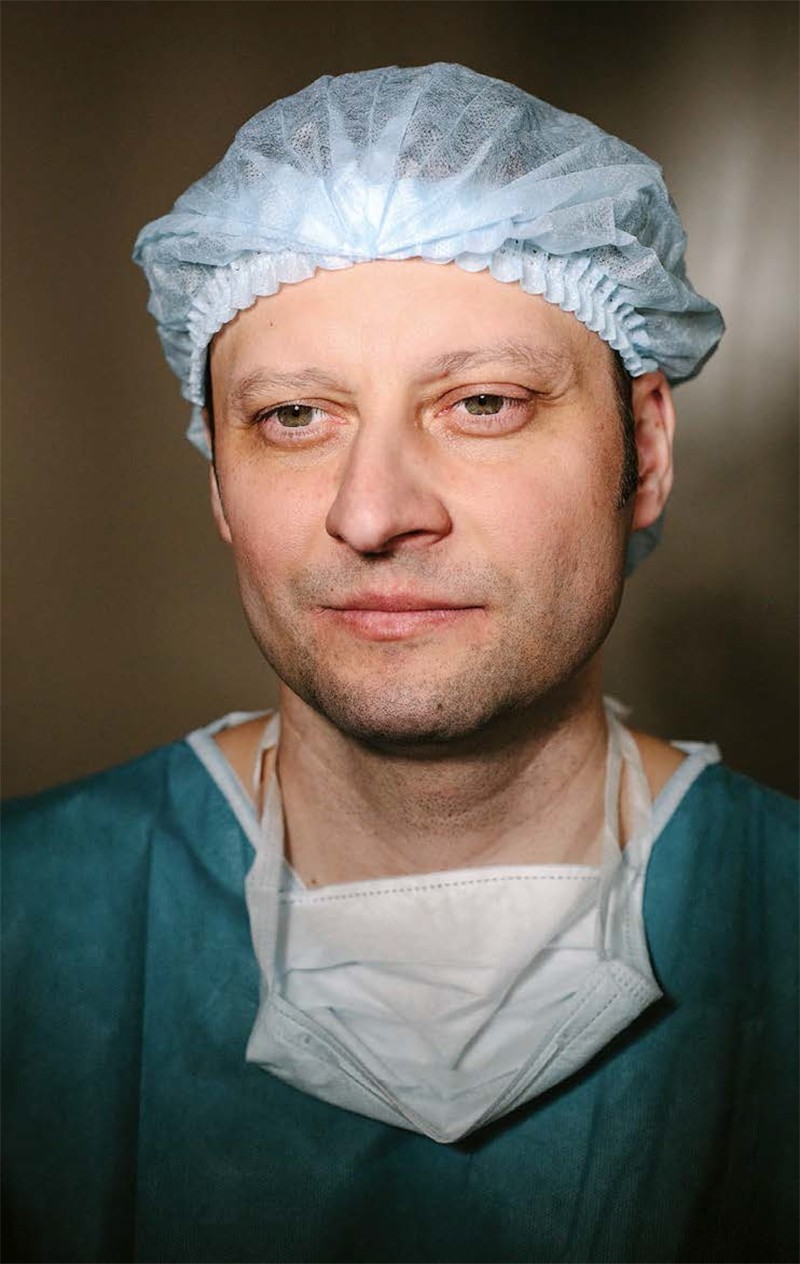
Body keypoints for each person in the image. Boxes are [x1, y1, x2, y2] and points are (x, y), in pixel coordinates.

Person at [2, 63, 796, 1264]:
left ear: (641, 450)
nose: (371, 513)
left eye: (482, 403)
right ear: (218, 481)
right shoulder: (27, 919)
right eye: (293, 417)